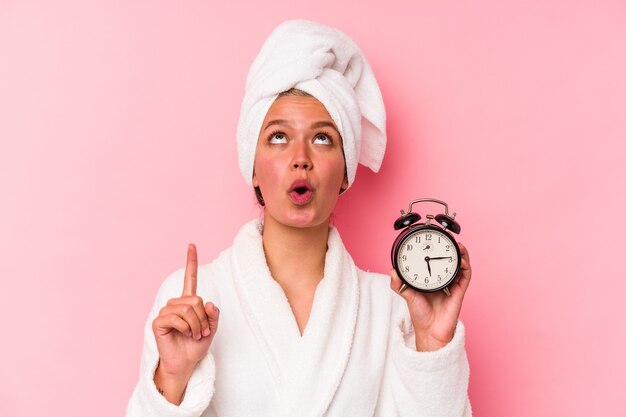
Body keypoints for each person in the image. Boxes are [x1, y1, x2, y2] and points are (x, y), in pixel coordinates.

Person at [126, 19, 472, 417]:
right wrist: (172, 377)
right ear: (252, 166)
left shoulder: (392, 307)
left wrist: (431, 342)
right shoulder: (195, 299)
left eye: (322, 137)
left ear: (344, 171)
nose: (301, 158)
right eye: (278, 136)